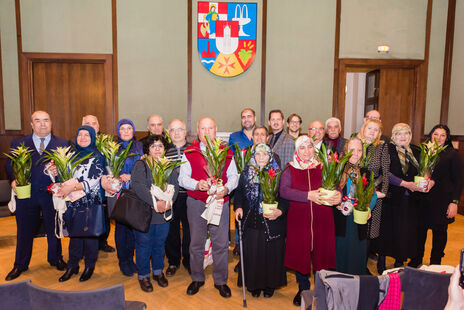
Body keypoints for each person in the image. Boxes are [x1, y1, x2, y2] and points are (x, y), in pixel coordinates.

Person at [4, 110, 68, 281]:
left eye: (46, 120)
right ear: (31, 124)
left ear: (51, 123)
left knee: (54, 229)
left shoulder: (62, 143)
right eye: (37, 120)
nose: (42, 124)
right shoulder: (19, 143)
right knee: (24, 230)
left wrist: (60, 173)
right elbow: (10, 165)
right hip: (26, 194)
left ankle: (56, 259)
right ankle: (20, 264)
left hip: (51, 195)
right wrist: (13, 180)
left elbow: (68, 169)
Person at [178, 117, 238, 298]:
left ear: (216, 129)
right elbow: (182, 179)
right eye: (203, 129)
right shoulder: (189, 152)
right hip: (197, 203)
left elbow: (234, 176)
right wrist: (197, 185)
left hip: (220, 202)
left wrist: (227, 188)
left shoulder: (226, 152)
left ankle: (220, 281)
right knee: (196, 242)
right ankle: (197, 278)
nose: (206, 132)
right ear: (198, 131)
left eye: (210, 128)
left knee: (220, 244)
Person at [280, 135, 341, 306]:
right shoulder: (289, 168)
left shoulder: (323, 167)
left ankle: (321, 289)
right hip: (299, 220)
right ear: (296, 150)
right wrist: (308, 195)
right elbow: (284, 191)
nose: (306, 151)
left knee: (322, 255)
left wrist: (339, 196)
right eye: (302, 147)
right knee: (301, 255)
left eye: (309, 147)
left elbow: (336, 186)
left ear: (314, 149)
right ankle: (303, 288)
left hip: (323, 220)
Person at [234, 144, 287, 298]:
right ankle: (254, 285)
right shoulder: (246, 173)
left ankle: (270, 286)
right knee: (253, 254)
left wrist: (280, 211)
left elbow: (285, 198)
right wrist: (238, 207)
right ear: (253, 156)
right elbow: (238, 194)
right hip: (251, 222)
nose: (261, 157)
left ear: (270, 156)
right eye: (258, 154)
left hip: (271, 221)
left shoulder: (278, 174)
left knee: (271, 255)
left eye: (265, 154)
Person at [131, 134, 179, 292]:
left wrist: (167, 203)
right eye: (153, 146)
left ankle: (158, 272)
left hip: (163, 213)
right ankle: (143, 275)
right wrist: (154, 203)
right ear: (148, 149)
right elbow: (138, 187)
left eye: (160, 146)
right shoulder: (141, 164)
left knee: (159, 244)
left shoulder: (169, 166)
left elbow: (175, 187)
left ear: (165, 149)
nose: (157, 149)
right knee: (143, 245)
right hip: (145, 214)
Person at [409, 125, 463, 267]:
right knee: (419, 232)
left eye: (443, 135)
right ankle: (416, 259)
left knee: (439, 234)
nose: (439, 138)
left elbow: (458, 180)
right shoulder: (422, 151)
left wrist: (454, 202)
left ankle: (435, 262)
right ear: (431, 135)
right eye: (436, 134)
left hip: (442, 201)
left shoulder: (452, 154)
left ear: (447, 138)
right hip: (423, 199)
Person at [58, 126, 105, 282]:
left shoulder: (97, 156)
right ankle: (72, 265)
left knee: (89, 236)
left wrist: (72, 187)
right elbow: (65, 175)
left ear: (92, 138)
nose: (83, 138)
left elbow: (93, 180)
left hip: (90, 201)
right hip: (73, 201)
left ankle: (89, 266)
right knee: (75, 235)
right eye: (80, 135)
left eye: (87, 135)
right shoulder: (71, 156)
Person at [102, 118, 143, 276]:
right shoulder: (112, 148)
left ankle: (131, 259)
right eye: (122, 129)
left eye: (129, 128)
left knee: (134, 228)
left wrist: (131, 176)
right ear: (118, 131)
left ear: (133, 130)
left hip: (135, 193)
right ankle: (123, 260)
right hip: (117, 193)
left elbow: (145, 167)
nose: (126, 131)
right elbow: (106, 170)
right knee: (121, 229)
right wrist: (117, 177)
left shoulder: (140, 147)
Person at [377, 123, 421, 270]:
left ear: (410, 135)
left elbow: (422, 171)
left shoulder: (416, 151)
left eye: (406, 133)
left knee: (404, 231)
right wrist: (404, 184)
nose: (403, 137)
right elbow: (385, 172)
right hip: (391, 197)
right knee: (387, 231)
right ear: (393, 136)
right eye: (399, 134)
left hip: (410, 199)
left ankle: (399, 261)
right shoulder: (386, 149)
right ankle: (381, 262)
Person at [333, 137, 377, 275]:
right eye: (352, 150)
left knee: (356, 255)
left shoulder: (366, 172)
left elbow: (373, 195)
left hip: (358, 220)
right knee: (340, 253)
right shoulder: (336, 170)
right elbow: (328, 191)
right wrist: (335, 202)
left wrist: (369, 208)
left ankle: (356, 286)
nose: (356, 153)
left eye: (359, 150)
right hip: (340, 220)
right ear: (345, 151)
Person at [356, 119, 389, 273]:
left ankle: (362, 265)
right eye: (370, 128)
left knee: (369, 231)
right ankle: (354, 262)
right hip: (354, 192)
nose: (372, 132)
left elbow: (385, 172)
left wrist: (380, 190)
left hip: (373, 195)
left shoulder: (381, 147)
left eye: (376, 130)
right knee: (357, 229)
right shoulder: (356, 143)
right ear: (364, 129)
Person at [81, 115, 115, 253]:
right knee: (86, 217)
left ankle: (103, 242)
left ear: (98, 126)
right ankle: (86, 245)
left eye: (93, 123)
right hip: (85, 187)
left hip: (104, 185)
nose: (91, 126)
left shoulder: (107, 142)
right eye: (87, 123)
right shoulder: (76, 141)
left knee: (104, 216)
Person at [164, 119, 191, 277]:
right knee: (171, 231)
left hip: (189, 197)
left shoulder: (194, 150)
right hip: (170, 198)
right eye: (173, 130)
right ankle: (173, 261)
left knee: (189, 230)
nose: (176, 133)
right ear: (169, 133)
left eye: (179, 129)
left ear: (185, 132)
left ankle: (188, 260)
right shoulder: (164, 151)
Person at [228, 108, 256, 256]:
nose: (246, 119)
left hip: (258, 181)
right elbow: (230, 158)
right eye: (243, 117)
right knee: (239, 210)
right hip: (240, 181)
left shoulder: (261, 135)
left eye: (249, 116)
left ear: (255, 118)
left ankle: (251, 241)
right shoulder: (234, 137)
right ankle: (239, 243)